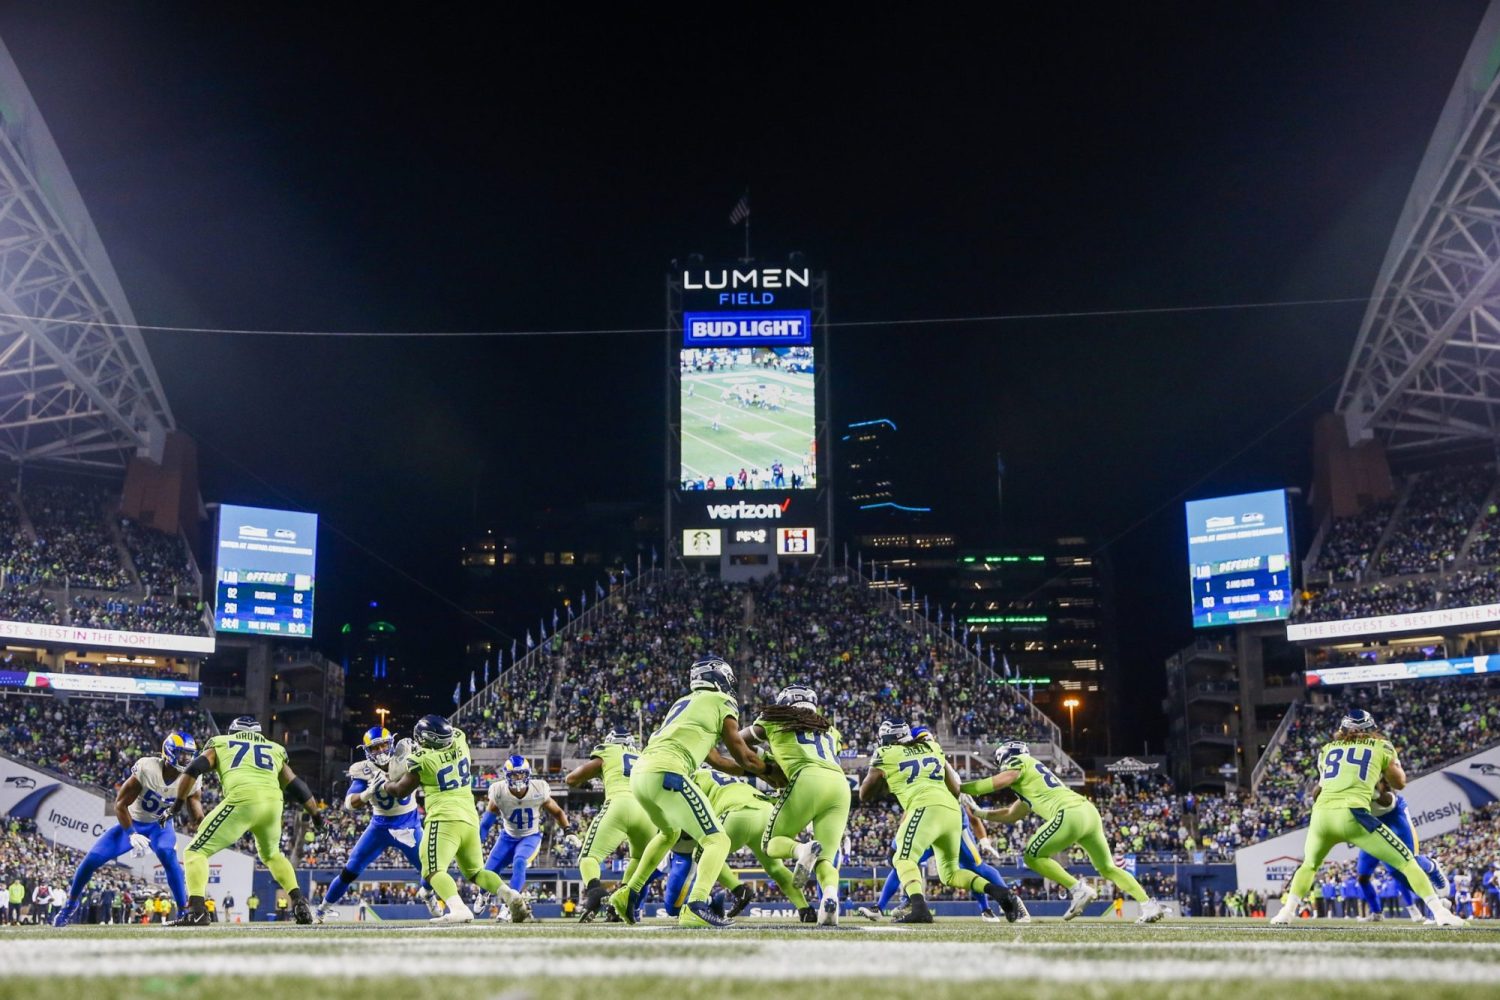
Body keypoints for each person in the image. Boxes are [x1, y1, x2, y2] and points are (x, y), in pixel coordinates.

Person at [607, 656, 769, 928]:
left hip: (641, 774)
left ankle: (628, 894)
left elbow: (717, 760)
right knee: (718, 840)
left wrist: (750, 771)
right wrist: (768, 771)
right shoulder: (721, 702)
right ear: (720, 678)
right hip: (668, 771)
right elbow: (741, 753)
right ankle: (696, 905)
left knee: (668, 833)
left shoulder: (685, 704)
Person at [1269, 710, 1463, 927]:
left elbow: (1321, 790)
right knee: (1406, 862)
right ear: (1372, 730)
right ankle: (1440, 913)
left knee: (1309, 865)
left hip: (1323, 816)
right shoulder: (1382, 747)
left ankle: (1286, 913)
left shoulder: (1327, 750)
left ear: (1342, 730)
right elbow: (1400, 783)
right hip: (1355, 815)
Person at [963, 738, 1162, 923]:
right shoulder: (1031, 778)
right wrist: (979, 813)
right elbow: (1011, 814)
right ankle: (1148, 905)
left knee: (1032, 857)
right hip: (1088, 813)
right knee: (1107, 867)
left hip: (1069, 814)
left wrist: (962, 788)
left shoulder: (1019, 761)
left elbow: (1002, 780)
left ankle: (1078, 889)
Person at [860, 720, 1019, 924]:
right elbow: (955, 788)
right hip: (952, 812)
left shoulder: (885, 753)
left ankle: (919, 908)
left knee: (901, 858)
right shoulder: (932, 747)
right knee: (950, 874)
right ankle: (999, 892)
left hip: (925, 807)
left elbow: (865, 794)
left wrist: (880, 774)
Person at [170, 716, 325, 926]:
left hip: (242, 800)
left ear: (233, 731)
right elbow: (298, 786)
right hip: (272, 804)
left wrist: (178, 803)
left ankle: (197, 911)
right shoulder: (274, 749)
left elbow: (193, 769)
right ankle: (299, 902)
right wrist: (316, 816)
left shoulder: (222, 742)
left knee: (195, 851)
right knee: (272, 854)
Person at [375, 714, 517, 924]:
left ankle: (459, 909)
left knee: (432, 870)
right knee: (476, 872)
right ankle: (510, 895)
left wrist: (382, 783)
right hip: (469, 818)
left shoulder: (423, 760)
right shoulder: (460, 739)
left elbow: (399, 790)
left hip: (444, 819)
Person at [54, 731, 204, 926]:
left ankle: (184, 911)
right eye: (181, 753)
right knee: (91, 860)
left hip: (161, 825)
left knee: (168, 855)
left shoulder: (192, 776)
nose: (186, 758)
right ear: (168, 751)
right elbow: (120, 804)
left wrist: (204, 824)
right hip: (134, 821)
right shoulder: (148, 767)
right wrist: (131, 833)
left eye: (189, 754)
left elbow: (196, 811)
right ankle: (70, 905)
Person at [739, 683, 852, 926]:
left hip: (807, 779)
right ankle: (830, 897)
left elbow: (738, 741)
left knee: (770, 845)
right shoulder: (829, 729)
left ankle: (802, 850)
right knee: (827, 859)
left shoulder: (775, 719)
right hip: (840, 785)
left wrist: (766, 758)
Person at [316, 726, 426, 922]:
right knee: (350, 870)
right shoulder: (364, 769)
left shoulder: (406, 758)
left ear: (392, 744)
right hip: (379, 826)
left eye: (383, 745)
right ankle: (322, 910)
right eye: (374, 748)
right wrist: (367, 794)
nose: (380, 751)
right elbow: (349, 803)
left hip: (408, 822)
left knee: (430, 868)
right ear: (367, 751)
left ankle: (431, 896)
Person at [690, 766, 813, 920]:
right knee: (776, 868)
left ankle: (738, 890)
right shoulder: (722, 775)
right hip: (767, 812)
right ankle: (805, 909)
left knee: (701, 853)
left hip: (737, 812)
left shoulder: (693, 777)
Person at [565, 729, 657, 921]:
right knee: (639, 859)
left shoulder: (608, 751)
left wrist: (588, 785)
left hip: (619, 804)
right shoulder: (643, 756)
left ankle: (595, 893)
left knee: (588, 856)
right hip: (646, 811)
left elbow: (571, 778)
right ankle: (619, 902)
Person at [480, 754, 568, 922]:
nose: (518, 778)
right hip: (507, 836)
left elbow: (557, 812)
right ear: (507, 776)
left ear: (528, 774)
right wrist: (477, 842)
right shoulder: (499, 791)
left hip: (530, 836)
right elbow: (486, 823)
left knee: (520, 861)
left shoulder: (539, 789)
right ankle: (482, 894)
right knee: (488, 870)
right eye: (514, 775)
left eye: (521, 774)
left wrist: (568, 830)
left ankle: (508, 906)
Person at [1354, 783, 1448, 924]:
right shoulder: (1338, 773)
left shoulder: (1373, 768)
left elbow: (1389, 798)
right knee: (1363, 876)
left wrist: (1370, 792)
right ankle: (1377, 913)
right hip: (1371, 823)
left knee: (1408, 863)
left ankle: (1432, 869)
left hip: (1392, 815)